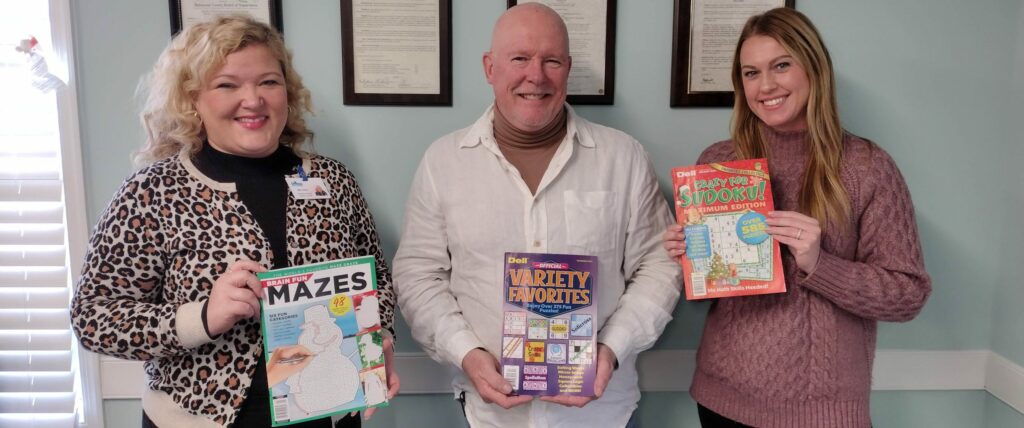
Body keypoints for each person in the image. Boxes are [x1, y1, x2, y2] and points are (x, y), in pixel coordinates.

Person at [70, 16, 399, 428]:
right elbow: (94, 317)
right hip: (196, 419)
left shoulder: (332, 180)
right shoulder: (152, 191)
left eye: (268, 82)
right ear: (193, 98)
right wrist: (203, 316)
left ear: (287, 92)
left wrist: (378, 339)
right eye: (227, 85)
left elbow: (377, 281)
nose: (253, 99)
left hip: (328, 410)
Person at [393, 4, 681, 427]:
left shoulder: (624, 157)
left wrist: (612, 348)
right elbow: (419, 274)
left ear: (567, 68)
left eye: (551, 60)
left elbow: (660, 265)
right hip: (488, 411)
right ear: (490, 67)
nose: (536, 75)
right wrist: (466, 353)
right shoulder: (443, 162)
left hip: (600, 410)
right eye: (520, 58)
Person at [662, 8, 931, 427]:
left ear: (813, 68)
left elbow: (908, 295)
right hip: (721, 398)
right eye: (751, 73)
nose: (766, 85)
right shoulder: (719, 163)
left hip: (821, 411)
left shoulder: (867, 167)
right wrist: (689, 258)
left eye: (781, 66)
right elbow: (714, 292)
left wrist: (820, 265)